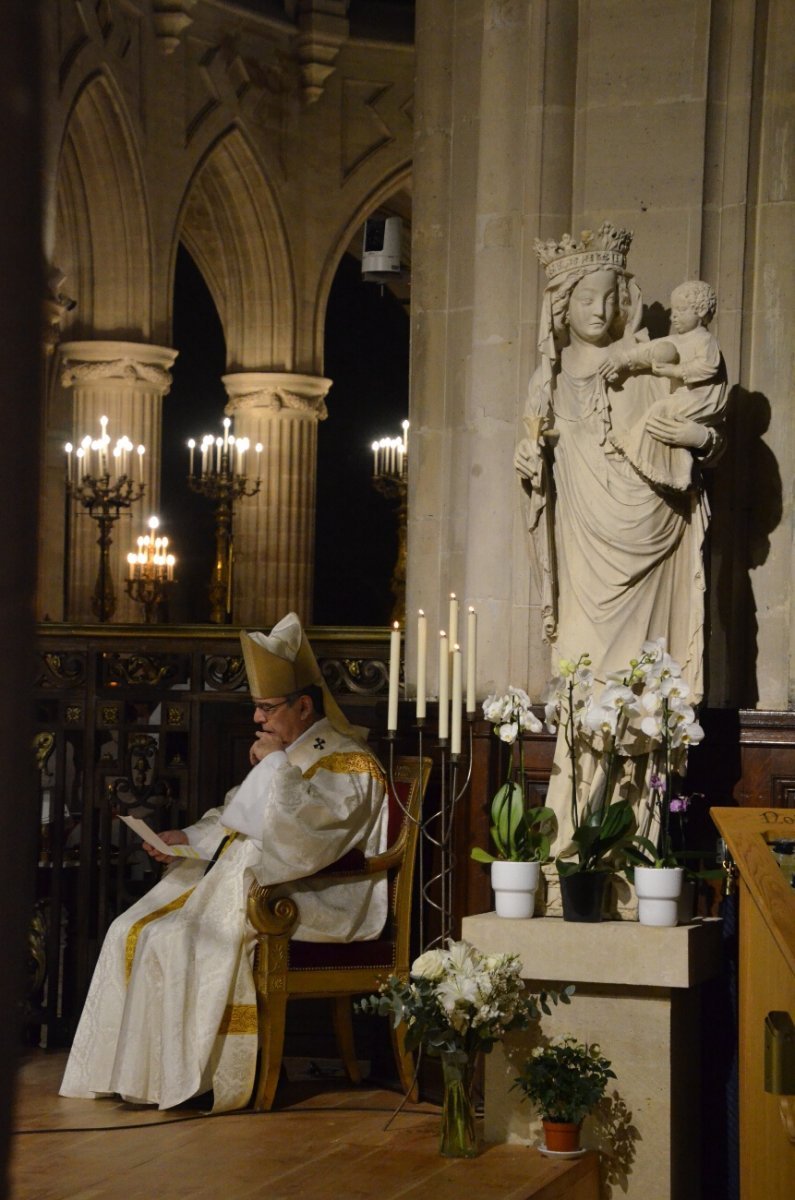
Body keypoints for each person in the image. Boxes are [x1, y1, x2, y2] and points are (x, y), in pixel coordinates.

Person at [59, 612, 388, 1112]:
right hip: (263, 885)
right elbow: (236, 816)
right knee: (129, 928)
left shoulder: (349, 761)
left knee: (181, 938)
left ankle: (197, 1077)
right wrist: (184, 836)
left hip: (314, 896)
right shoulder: (287, 751)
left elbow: (306, 840)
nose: (258, 720)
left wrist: (276, 764)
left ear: (303, 706)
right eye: (256, 708)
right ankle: (135, 1075)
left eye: (266, 708)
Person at [514, 223, 727, 851]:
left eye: (610, 298)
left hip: (650, 532)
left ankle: (636, 848)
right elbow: (532, 453)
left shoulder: (649, 363)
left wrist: (697, 446)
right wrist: (529, 463)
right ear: (563, 306)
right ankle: (572, 848)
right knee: (586, 681)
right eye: (586, 300)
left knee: (641, 690)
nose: (599, 311)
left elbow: (701, 434)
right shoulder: (546, 380)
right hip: (584, 543)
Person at [598, 279, 726, 492]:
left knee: (661, 410)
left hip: (700, 404)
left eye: (681, 310)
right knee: (661, 411)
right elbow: (646, 352)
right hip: (620, 488)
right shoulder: (669, 345)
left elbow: (719, 442)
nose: (673, 316)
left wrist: (700, 438)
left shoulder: (703, 342)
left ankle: (651, 460)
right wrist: (622, 360)